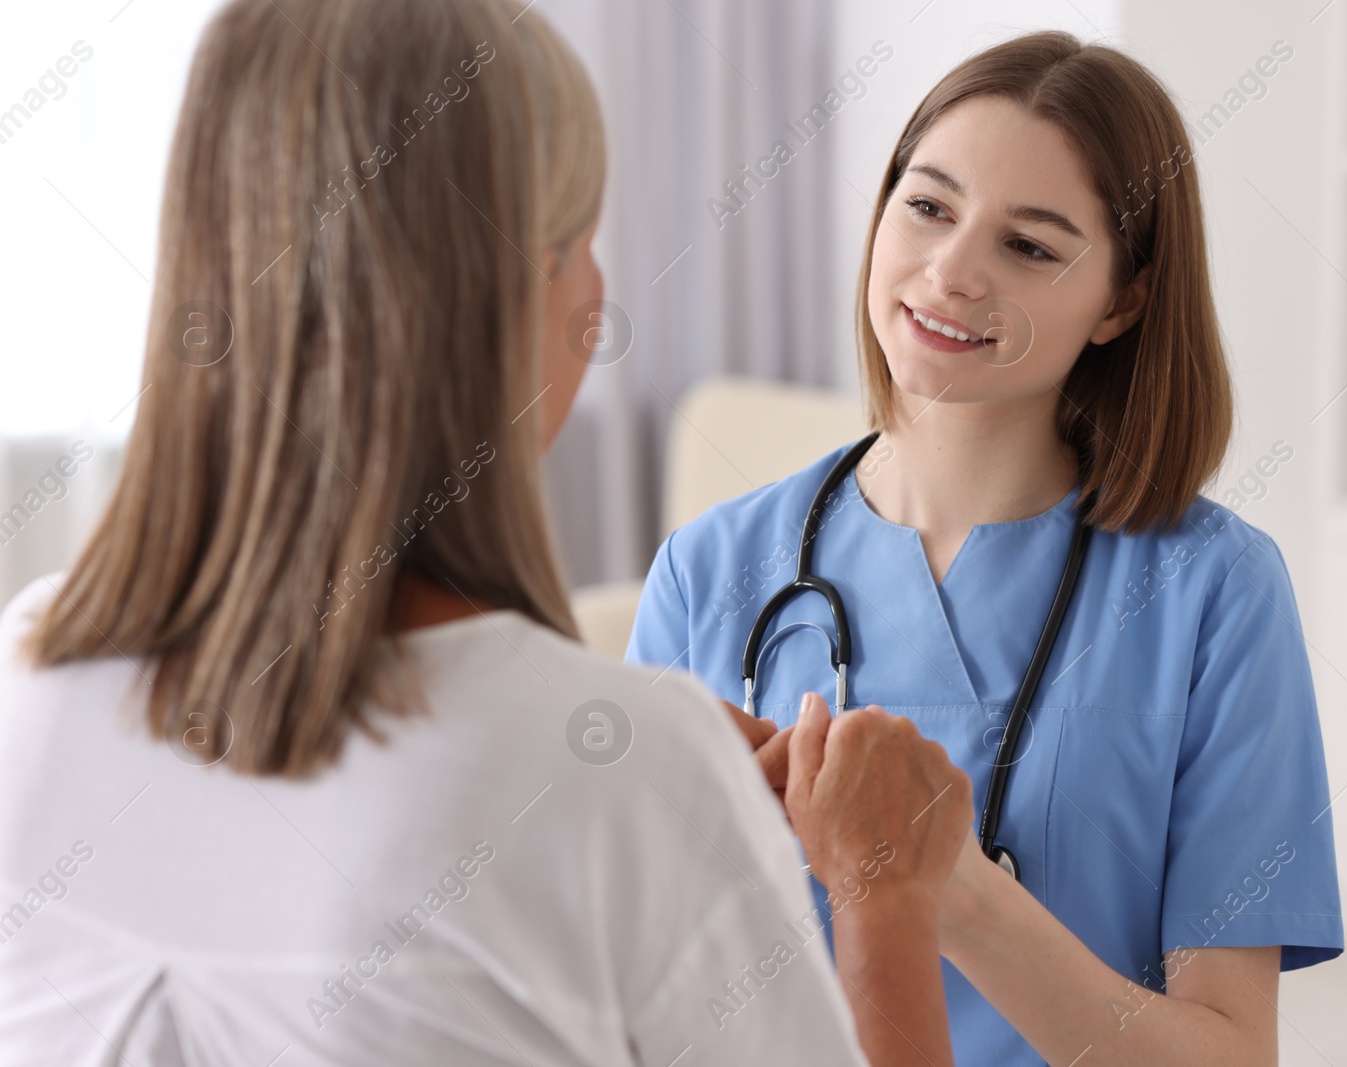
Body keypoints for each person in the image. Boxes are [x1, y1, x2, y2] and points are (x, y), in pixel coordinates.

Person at [0, 2, 972, 1065]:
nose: (599, 299)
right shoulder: (628, 768)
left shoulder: (33, 669)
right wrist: (881, 890)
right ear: (495, 301)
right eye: (580, 245)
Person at [627, 31, 1343, 1067]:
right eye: (927, 206)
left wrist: (947, 889)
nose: (950, 270)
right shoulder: (708, 567)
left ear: (1123, 300)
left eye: (1030, 246)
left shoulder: (1213, 591)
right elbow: (628, 973)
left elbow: (1231, 1053)